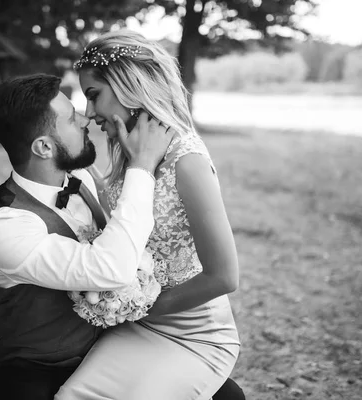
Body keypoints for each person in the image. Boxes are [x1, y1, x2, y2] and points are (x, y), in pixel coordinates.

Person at [0, 73, 244, 400]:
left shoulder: (81, 178)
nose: (86, 119)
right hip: (36, 368)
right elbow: (111, 267)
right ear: (44, 147)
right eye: (72, 119)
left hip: (110, 345)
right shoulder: (2, 227)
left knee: (228, 396)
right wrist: (142, 164)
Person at [55, 30, 242, 400]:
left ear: (129, 84)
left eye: (94, 96)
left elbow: (224, 276)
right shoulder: (125, 149)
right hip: (138, 325)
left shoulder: (186, 160)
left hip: (193, 332)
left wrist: (135, 308)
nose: (89, 114)